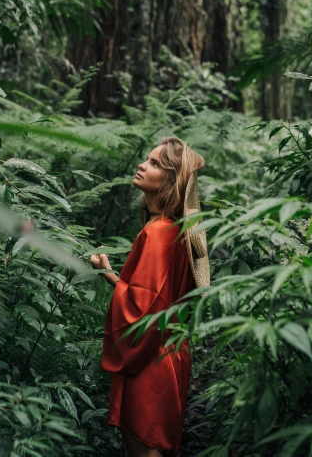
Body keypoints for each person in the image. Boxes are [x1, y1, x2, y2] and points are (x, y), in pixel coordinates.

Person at [90, 136, 210, 457]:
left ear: (170, 181)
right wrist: (112, 275)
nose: (143, 165)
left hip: (150, 362)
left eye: (155, 163)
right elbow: (155, 299)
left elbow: (143, 309)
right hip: (168, 354)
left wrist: (109, 277)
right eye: (147, 159)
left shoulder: (158, 233)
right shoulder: (174, 230)